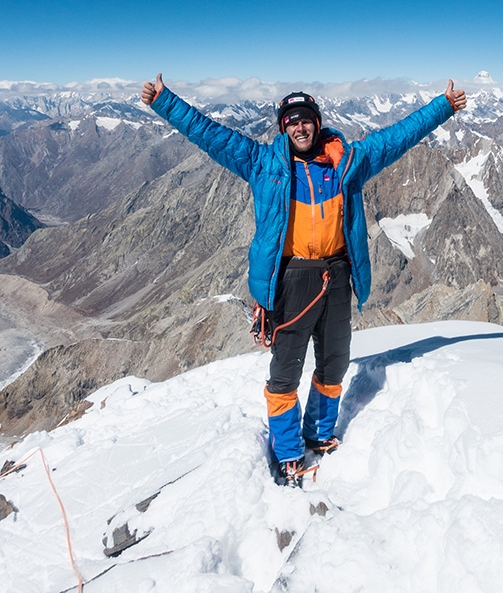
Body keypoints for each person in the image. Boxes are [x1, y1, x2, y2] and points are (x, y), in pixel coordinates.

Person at [141, 73, 467, 485]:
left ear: (317, 122)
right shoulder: (263, 165)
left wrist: (443, 107)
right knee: (285, 372)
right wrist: (164, 101)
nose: (300, 127)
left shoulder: (348, 163)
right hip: (292, 279)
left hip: (336, 274)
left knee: (334, 364)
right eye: (292, 121)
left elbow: (396, 137)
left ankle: (318, 431)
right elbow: (212, 136)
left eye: (306, 119)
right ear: (283, 128)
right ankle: (289, 450)